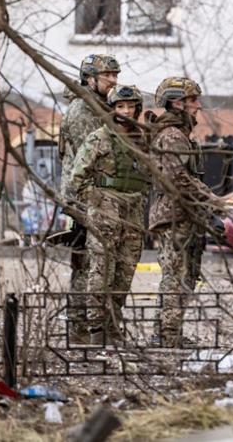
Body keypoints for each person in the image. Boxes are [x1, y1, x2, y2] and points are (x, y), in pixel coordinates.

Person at [70, 85, 150, 345]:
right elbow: (77, 177)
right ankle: (97, 329)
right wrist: (95, 202)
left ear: (137, 109)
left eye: (130, 106)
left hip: (133, 210)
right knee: (102, 268)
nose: (126, 111)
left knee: (125, 271)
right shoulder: (99, 138)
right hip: (105, 209)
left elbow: (150, 173)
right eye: (120, 106)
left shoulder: (142, 139)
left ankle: (113, 326)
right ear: (112, 109)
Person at [148, 77, 221, 347]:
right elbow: (177, 178)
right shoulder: (172, 136)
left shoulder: (181, 134)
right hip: (174, 216)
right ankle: (167, 336)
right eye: (192, 100)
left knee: (186, 274)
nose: (198, 105)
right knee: (175, 276)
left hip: (185, 215)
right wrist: (212, 199)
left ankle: (168, 333)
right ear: (177, 103)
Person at [58, 54, 120, 343]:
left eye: (115, 75)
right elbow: (93, 157)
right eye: (108, 76)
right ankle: (79, 329)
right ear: (90, 79)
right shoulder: (82, 110)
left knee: (93, 262)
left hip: (95, 196)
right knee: (86, 265)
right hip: (84, 198)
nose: (113, 81)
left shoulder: (98, 106)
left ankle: (89, 327)